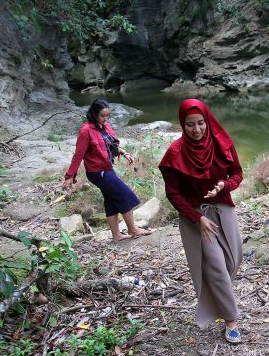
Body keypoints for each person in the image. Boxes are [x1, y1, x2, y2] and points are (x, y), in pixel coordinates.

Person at [158, 99, 243, 344]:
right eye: (190, 124)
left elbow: (237, 173)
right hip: (195, 216)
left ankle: (220, 295)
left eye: (200, 123)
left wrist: (223, 185)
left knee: (232, 260)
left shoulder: (222, 143)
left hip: (223, 209)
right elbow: (173, 194)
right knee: (215, 266)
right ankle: (231, 322)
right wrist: (197, 218)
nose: (197, 130)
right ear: (182, 125)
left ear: (207, 120)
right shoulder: (174, 154)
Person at [62, 98, 151, 242]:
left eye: (107, 115)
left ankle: (116, 235)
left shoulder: (105, 126)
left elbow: (112, 144)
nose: (105, 119)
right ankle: (133, 229)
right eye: (102, 116)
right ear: (94, 114)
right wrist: (70, 176)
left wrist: (124, 152)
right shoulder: (86, 131)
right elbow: (78, 155)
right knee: (125, 195)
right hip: (98, 172)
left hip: (107, 169)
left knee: (111, 201)